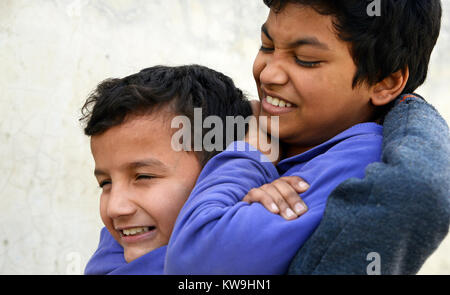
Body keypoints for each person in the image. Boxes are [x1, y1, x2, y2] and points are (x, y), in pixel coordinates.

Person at [163, 0, 449, 274]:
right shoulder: (287, 136)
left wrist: (250, 153)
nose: (269, 74)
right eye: (267, 46)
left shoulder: (359, 165)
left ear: (384, 81)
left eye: (305, 60)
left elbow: (194, 264)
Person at [81, 64, 308, 275]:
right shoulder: (113, 258)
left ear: (218, 169)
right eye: (106, 183)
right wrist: (252, 154)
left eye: (144, 176)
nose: (115, 208)